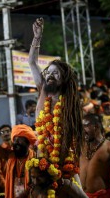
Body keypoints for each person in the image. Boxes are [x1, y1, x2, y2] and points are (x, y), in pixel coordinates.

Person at [28, 17, 83, 162]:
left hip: (65, 156)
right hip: (42, 155)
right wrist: (37, 37)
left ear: (63, 79)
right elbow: (32, 62)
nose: (50, 76)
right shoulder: (43, 89)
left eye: (56, 73)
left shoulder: (68, 101)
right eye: (49, 73)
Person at [24, 158, 97, 198]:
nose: (36, 181)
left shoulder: (65, 185)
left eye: (40, 177)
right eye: (33, 177)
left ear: (48, 175)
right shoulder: (34, 191)